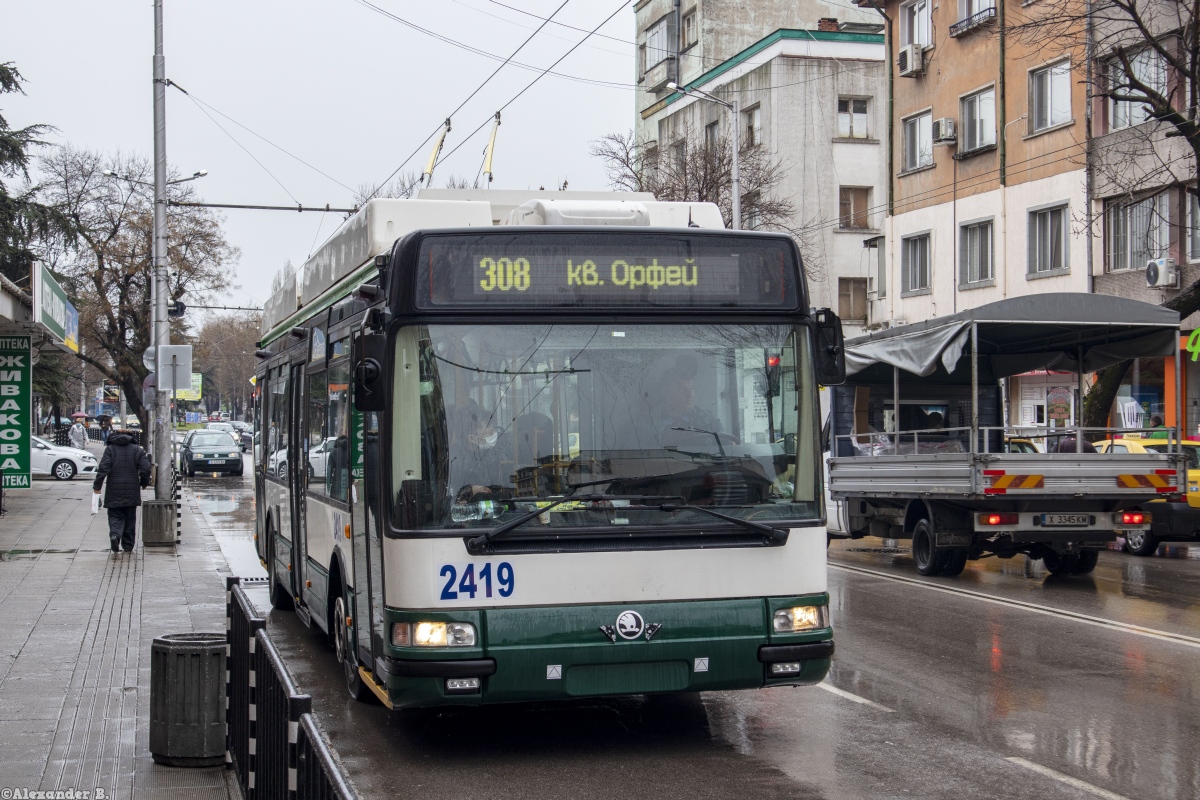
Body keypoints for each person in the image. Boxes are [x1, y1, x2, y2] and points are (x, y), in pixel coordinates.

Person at [93, 429, 152, 554]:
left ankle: (115, 535)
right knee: (130, 518)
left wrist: (97, 486)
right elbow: (146, 469)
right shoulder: (137, 450)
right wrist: (144, 483)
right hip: (132, 489)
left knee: (115, 515)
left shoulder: (110, 449)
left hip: (113, 489)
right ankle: (128, 545)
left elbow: (103, 468)